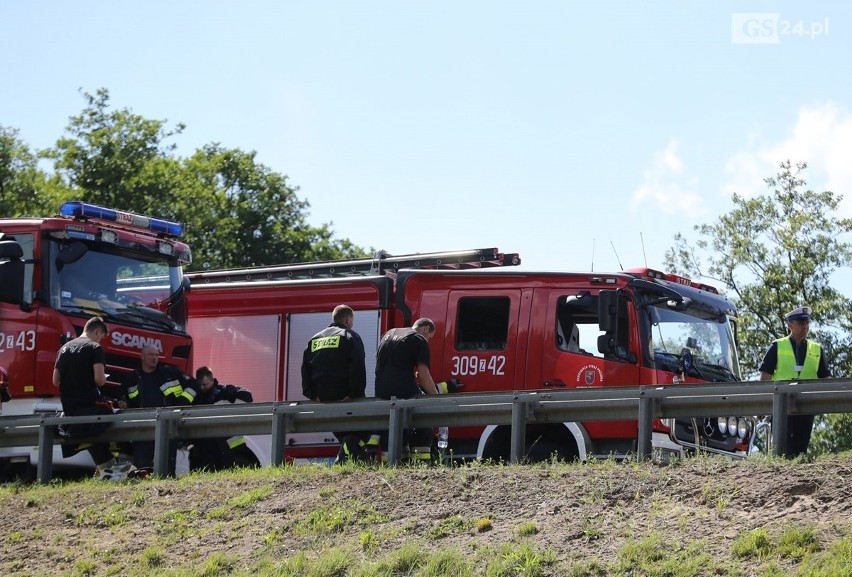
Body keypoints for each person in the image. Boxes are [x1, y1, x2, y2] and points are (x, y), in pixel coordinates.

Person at [52, 316, 130, 479]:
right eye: (101, 336)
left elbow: (55, 381)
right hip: (90, 407)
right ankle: (114, 468)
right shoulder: (94, 347)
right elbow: (99, 381)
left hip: (70, 410)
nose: (100, 340)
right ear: (97, 331)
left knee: (94, 441)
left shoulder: (64, 349)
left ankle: (106, 468)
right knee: (121, 422)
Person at [301, 304, 376, 462]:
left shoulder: (314, 339)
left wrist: (311, 394)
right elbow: (357, 367)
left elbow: (305, 369)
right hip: (346, 398)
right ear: (348, 319)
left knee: (347, 434)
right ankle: (344, 459)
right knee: (368, 428)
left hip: (323, 399)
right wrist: (354, 394)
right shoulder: (349, 336)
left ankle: (350, 460)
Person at [759, 305, 831, 458]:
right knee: (781, 448)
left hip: (806, 405)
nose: (805, 326)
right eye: (800, 323)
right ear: (790, 325)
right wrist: (762, 403)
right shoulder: (777, 346)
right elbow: (765, 376)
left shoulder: (817, 349)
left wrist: (828, 400)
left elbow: (826, 378)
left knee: (800, 448)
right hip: (781, 405)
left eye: (807, 323)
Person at [374, 318, 440, 462]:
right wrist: (436, 398)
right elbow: (424, 376)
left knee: (393, 426)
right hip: (403, 388)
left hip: (381, 391)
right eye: (430, 337)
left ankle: (395, 461)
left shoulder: (388, 334)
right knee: (424, 418)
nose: (428, 340)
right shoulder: (419, 339)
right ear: (426, 329)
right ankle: (420, 463)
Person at [121, 344, 193, 472]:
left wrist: (182, 401)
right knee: (142, 468)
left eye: (156, 355)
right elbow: (122, 398)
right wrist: (123, 403)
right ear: (142, 357)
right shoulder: (131, 378)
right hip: (142, 428)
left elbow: (193, 385)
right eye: (151, 354)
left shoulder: (169, 373)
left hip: (166, 427)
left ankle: (166, 490)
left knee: (167, 468)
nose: (154, 358)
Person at [187, 366, 256, 471]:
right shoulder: (196, 397)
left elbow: (246, 394)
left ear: (212, 380)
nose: (202, 387)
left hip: (226, 448)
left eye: (205, 384)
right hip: (204, 449)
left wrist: (234, 416)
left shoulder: (224, 392)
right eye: (200, 384)